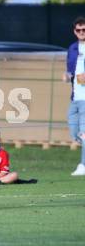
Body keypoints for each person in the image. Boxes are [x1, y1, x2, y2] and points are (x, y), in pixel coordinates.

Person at [65, 16, 85, 176]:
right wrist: (66, 76)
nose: (81, 32)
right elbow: (70, 71)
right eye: (79, 30)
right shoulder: (72, 48)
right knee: (74, 132)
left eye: (84, 30)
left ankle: (83, 165)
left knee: (84, 132)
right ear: (74, 31)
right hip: (75, 97)